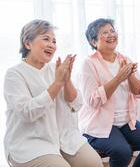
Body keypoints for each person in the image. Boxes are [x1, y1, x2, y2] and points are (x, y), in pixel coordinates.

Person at [3, 19, 103, 167]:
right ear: (27, 43)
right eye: (46, 39)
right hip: (30, 143)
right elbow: (27, 112)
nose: (52, 44)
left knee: (94, 163)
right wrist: (57, 83)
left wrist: (67, 80)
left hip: (64, 137)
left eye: (54, 41)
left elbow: (76, 104)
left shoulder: (55, 69)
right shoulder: (14, 74)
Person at [78, 18, 140, 167]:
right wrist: (118, 78)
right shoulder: (89, 63)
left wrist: (129, 76)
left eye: (112, 31)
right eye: (104, 32)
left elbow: (139, 92)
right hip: (99, 123)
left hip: (126, 121)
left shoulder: (124, 59)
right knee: (123, 152)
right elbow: (92, 101)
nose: (111, 35)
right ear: (93, 41)